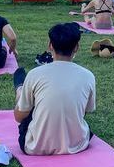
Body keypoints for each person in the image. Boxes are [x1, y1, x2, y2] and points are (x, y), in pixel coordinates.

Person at [13, 23, 96, 155]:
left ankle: (19, 90)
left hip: (36, 147)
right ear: (77, 47)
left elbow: (19, 117)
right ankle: (21, 89)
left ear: (50, 45)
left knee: (27, 103)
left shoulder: (35, 74)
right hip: (77, 145)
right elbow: (86, 111)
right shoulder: (88, 76)